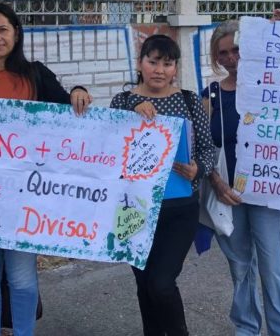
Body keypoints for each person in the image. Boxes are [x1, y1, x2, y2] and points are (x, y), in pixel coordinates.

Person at [0, 2, 91, 336]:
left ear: (16, 33)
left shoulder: (35, 74)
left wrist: (78, 91)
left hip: (26, 201)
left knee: (23, 280)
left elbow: (69, 109)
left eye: (3, 29)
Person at [200, 11, 280, 336]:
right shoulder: (211, 95)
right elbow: (203, 146)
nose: (231, 58)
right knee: (240, 267)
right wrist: (215, 183)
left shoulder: (271, 86)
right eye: (223, 53)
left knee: (272, 269)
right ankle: (246, 328)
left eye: (236, 50)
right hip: (227, 193)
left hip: (266, 194)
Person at [110, 34, 215, 336]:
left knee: (161, 282)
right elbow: (109, 150)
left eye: (167, 64)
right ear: (140, 64)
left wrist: (198, 169)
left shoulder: (188, 99)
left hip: (180, 207)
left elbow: (207, 149)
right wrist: (132, 110)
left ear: (175, 69)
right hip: (134, 208)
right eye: (153, 61)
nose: (159, 70)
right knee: (144, 285)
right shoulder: (123, 101)